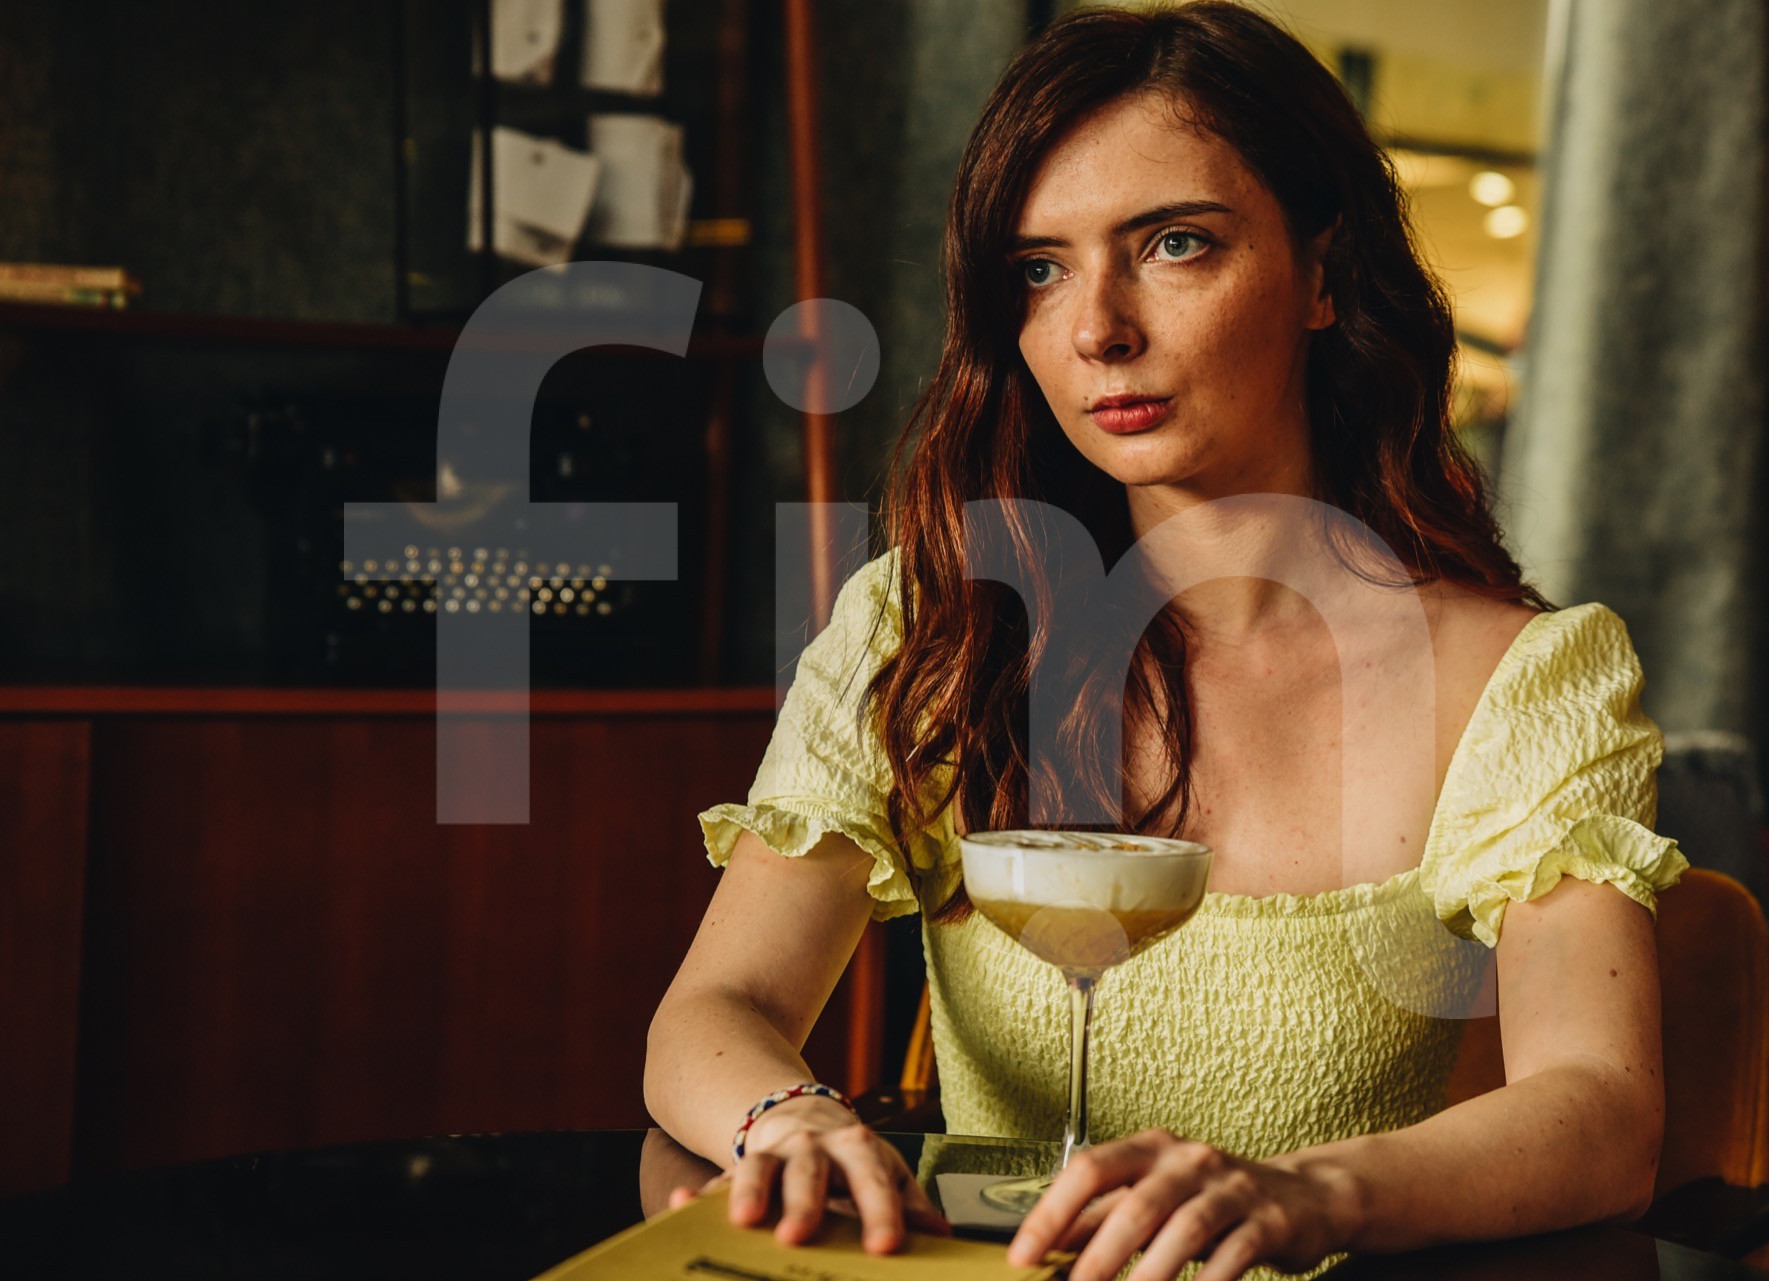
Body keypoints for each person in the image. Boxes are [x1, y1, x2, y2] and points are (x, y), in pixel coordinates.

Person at [645, 4, 1689, 1279]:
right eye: (1040, 269)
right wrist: (784, 1118)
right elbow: (717, 1009)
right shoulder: (936, 629)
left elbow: (1600, 1110)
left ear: (1324, 274)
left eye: (1175, 245)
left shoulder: (1521, 679)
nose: (1098, 329)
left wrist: (1304, 1197)